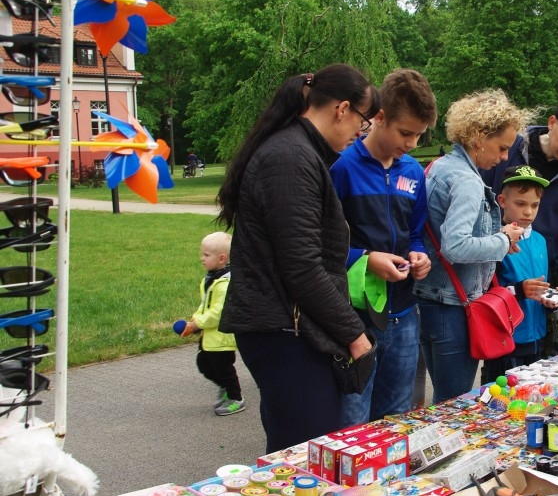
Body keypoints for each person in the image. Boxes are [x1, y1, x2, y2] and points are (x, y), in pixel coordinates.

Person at [217, 64, 378, 454]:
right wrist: (355, 336)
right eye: (363, 120)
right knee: (303, 459)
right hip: (285, 332)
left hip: (291, 330)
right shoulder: (291, 157)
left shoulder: (298, 151)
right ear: (342, 109)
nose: (362, 132)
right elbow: (302, 267)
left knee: (294, 454)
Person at [330, 68, 437, 426]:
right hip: (357, 315)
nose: (412, 144)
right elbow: (320, 243)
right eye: (405, 132)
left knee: (395, 421)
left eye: (420, 136)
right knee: (352, 421)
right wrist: (363, 259)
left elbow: (416, 233)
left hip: (404, 313)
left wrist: (419, 255)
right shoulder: (342, 168)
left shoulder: (413, 171)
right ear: (378, 117)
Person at [415, 89, 529, 403]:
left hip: (429, 299)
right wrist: (504, 240)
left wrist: (497, 238)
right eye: (502, 147)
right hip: (452, 308)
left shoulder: (439, 167)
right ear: (479, 137)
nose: (505, 156)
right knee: (454, 406)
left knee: (441, 402)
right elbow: (456, 246)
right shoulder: (466, 180)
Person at [480, 98, 558, 354]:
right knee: (504, 352)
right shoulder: (508, 149)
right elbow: (484, 203)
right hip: (505, 264)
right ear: (552, 123)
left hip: (557, 276)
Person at [481, 165, 558, 384]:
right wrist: (519, 291)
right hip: (506, 339)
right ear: (502, 201)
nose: (529, 212)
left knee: (532, 397)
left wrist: (551, 297)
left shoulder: (541, 241)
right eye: (520, 203)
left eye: (535, 205)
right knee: (502, 401)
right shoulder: (494, 241)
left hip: (538, 336)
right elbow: (484, 293)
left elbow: (539, 284)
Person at [180, 231, 243, 416]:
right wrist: (194, 321)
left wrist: (198, 323)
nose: (202, 259)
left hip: (222, 337)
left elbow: (218, 312)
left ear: (222, 258)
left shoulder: (225, 283)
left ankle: (236, 399)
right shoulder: (211, 279)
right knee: (203, 363)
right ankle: (224, 387)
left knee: (224, 369)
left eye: (206, 255)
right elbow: (205, 304)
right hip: (210, 336)